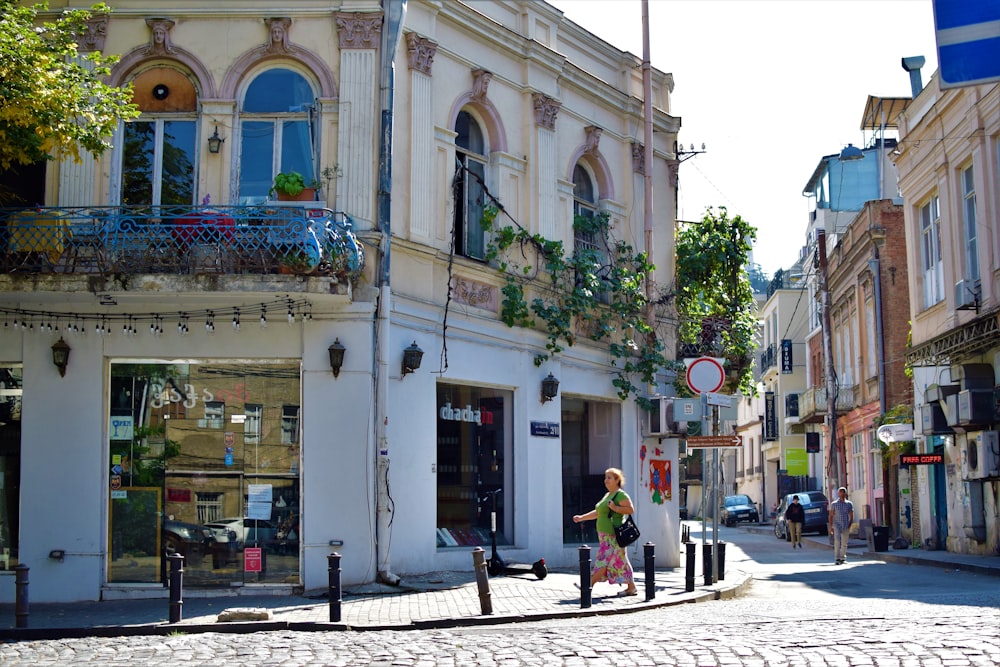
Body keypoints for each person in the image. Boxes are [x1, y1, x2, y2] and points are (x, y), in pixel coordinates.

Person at [572, 467, 638, 596]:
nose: (606, 480)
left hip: (613, 535)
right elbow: (598, 513)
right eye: (605, 477)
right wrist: (582, 518)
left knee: (603, 560)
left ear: (617, 480)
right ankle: (631, 587)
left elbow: (630, 510)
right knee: (620, 560)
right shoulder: (607, 495)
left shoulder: (620, 495)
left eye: (609, 478)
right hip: (604, 535)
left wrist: (615, 508)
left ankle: (588, 585)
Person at [828, 486, 855, 565]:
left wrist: (850, 524)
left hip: (845, 525)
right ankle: (837, 558)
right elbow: (831, 516)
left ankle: (843, 558)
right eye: (840, 492)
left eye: (843, 492)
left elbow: (851, 515)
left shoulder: (849, 504)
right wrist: (831, 527)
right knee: (837, 541)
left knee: (844, 542)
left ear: (846, 493)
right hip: (837, 525)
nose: (842, 494)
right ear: (838, 493)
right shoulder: (834, 504)